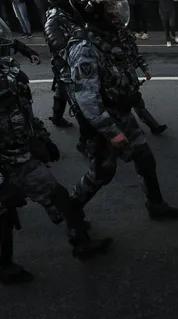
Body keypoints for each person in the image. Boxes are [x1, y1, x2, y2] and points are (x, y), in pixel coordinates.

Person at [0, 18, 112, 260]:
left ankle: (79, 240)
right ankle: (5, 266)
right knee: (5, 215)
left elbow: (23, 111)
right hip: (6, 162)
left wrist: (42, 138)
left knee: (58, 196)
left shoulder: (8, 74)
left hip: (20, 156)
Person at [64, 0, 178, 220]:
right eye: (110, 8)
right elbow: (87, 99)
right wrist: (111, 131)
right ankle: (71, 214)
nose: (116, 13)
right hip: (106, 123)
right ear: (95, 13)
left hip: (122, 114)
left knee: (145, 158)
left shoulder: (107, 36)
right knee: (100, 175)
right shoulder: (84, 48)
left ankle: (156, 205)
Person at [115, 27, 167, 135]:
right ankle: (135, 130)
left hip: (129, 74)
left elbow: (135, 53)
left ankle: (153, 127)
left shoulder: (127, 34)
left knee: (137, 101)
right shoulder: (104, 38)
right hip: (117, 77)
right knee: (124, 105)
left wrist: (145, 69)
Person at [44, 0, 78, 129]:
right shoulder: (53, 21)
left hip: (73, 59)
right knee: (77, 98)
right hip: (65, 63)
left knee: (61, 90)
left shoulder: (72, 12)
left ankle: (57, 117)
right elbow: (59, 48)